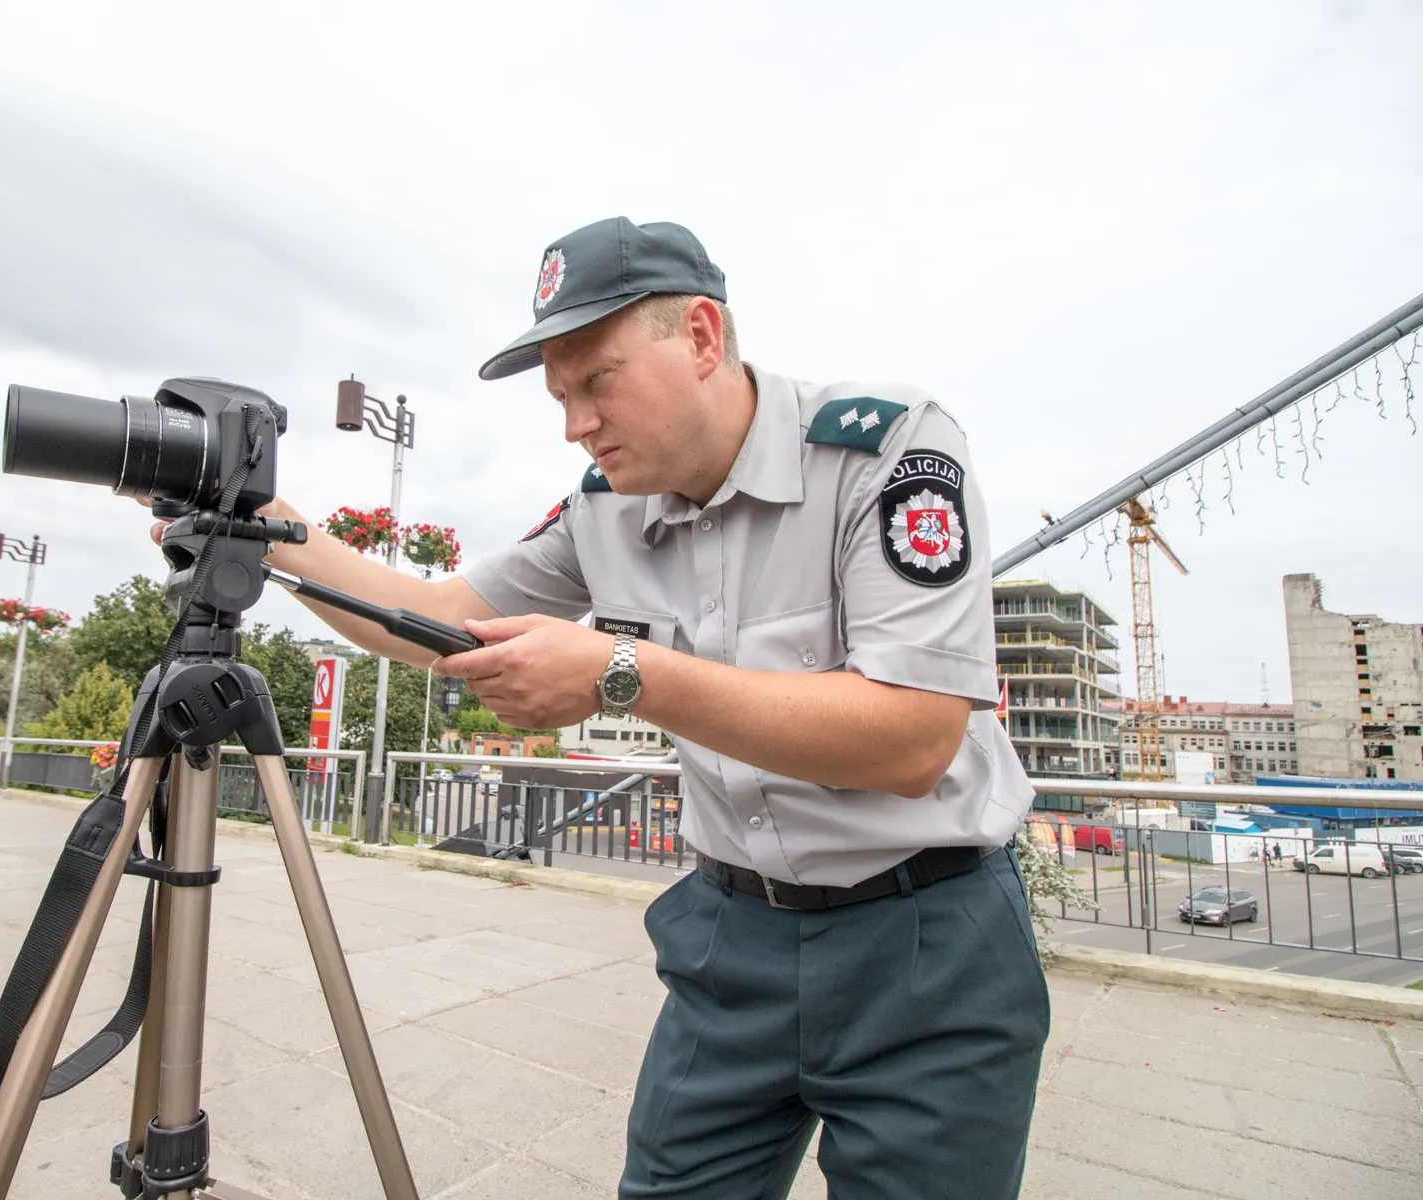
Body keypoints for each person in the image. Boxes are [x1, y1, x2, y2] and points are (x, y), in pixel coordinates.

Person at [148, 217, 1048, 1198]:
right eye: (560, 395)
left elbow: (915, 736)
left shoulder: (884, 452)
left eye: (597, 381)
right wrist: (261, 528)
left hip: (928, 947)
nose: (574, 422)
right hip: (733, 938)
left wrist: (623, 674)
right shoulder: (604, 508)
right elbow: (436, 619)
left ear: (701, 336)